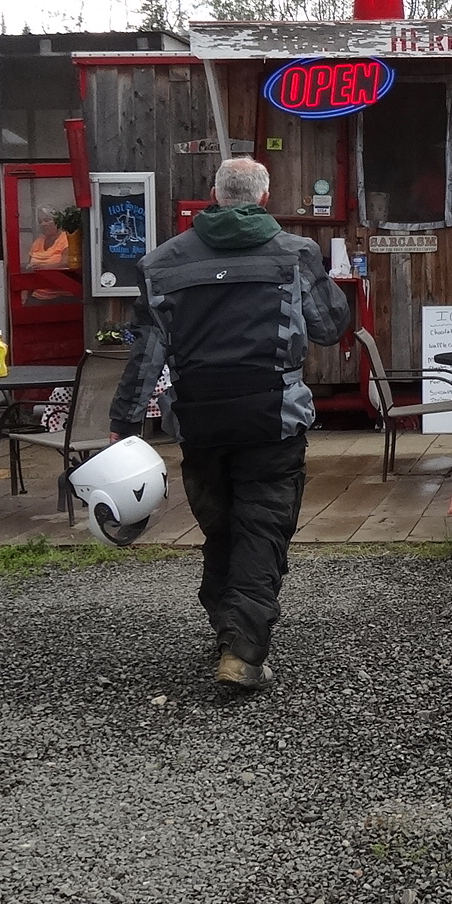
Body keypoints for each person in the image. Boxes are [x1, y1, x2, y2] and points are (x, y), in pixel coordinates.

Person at [108, 157, 350, 689]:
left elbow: (146, 356)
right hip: (273, 419)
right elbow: (330, 327)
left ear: (214, 195)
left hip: (198, 423)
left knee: (221, 528)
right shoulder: (296, 252)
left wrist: (124, 424)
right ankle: (242, 650)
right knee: (261, 528)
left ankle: (229, 627)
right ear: (263, 198)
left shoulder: (160, 262)